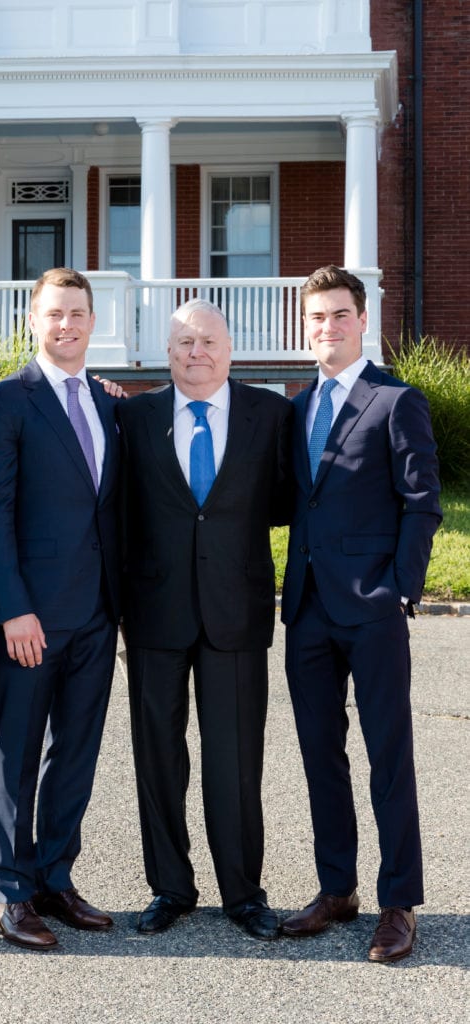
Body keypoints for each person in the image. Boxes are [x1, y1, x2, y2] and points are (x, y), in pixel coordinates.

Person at [280, 265, 442, 963]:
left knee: (387, 758)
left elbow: (421, 501)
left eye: (337, 315)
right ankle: (336, 887)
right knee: (320, 757)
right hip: (307, 611)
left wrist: (399, 589)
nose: (326, 327)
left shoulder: (393, 400)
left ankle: (398, 901)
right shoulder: (295, 407)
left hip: (371, 607)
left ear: (360, 320)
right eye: (315, 317)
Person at [117, 298, 293, 939]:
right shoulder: (131, 418)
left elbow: (287, 502)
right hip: (154, 612)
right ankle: (170, 887)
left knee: (235, 761)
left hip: (236, 612)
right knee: (157, 756)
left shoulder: (272, 415)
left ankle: (244, 893)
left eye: (208, 341)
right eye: (184, 342)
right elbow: (119, 511)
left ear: (230, 348)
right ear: (168, 353)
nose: (197, 352)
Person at [0, 267, 121, 950]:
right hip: (31, 616)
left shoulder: (107, 401)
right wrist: (12, 608)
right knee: (17, 752)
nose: (66, 325)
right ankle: (8, 890)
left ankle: (55, 877)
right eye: (54, 314)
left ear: (93, 322)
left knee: (76, 754)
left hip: (96, 613)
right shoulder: (7, 401)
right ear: (33, 321)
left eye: (77, 314)